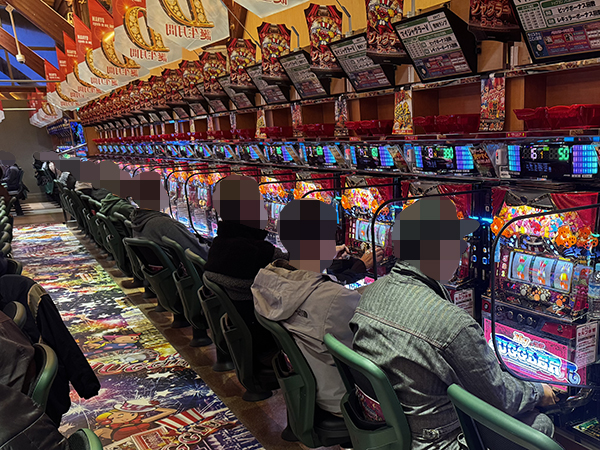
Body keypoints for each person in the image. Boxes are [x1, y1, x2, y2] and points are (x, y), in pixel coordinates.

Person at [350, 196, 557, 450]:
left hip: (390, 432)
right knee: (540, 426)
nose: (462, 249)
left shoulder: (369, 294)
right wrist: (539, 392)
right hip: (436, 441)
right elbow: (500, 399)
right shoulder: (453, 324)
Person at [252, 199, 361, 416]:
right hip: (342, 397)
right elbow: (365, 346)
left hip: (307, 387)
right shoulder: (336, 299)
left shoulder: (268, 280)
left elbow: (313, 290)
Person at [203, 175, 287, 361]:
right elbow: (300, 270)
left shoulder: (220, 244)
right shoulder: (256, 252)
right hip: (267, 338)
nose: (266, 210)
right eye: (261, 204)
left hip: (243, 334)